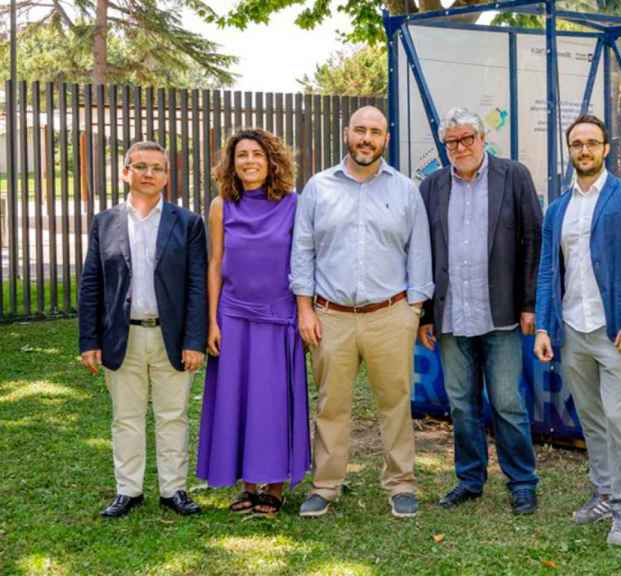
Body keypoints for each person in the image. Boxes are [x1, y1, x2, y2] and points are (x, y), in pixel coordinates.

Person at [290, 106, 434, 519]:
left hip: (390, 314)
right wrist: (305, 308)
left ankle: (401, 483)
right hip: (330, 316)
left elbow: (419, 252)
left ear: (386, 138)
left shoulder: (405, 190)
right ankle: (326, 485)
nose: (366, 139)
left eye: (375, 132)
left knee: (395, 402)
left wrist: (414, 310)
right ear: (346, 133)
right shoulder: (318, 188)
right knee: (331, 406)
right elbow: (303, 252)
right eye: (360, 131)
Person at [533, 115, 621, 546]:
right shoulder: (557, 209)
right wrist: (544, 328)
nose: (584, 150)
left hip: (616, 334)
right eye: (576, 144)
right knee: (590, 418)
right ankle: (603, 493)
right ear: (568, 150)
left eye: (592, 143)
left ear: (607, 148)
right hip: (574, 330)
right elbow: (549, 272)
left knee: (617, 419)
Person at [417, 108, 543, 514]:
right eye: (452, 141)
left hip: (502, 314)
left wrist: (529, 304)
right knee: (460, 403)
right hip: (452, 315)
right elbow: (421, 253)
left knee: (506, 400)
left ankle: (522, 480)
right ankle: (470, 479)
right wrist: (425, 316)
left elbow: (532, 242)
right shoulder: (432, 187)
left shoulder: (514, 176)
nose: (460, 147)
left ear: (483, 138)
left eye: (467, 138)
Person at [78, 141, 208, 518]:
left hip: (172, 336)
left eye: (157, 168)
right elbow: (91, 283)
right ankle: (128, 490)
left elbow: (197, 285)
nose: (149, 174)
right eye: (141, 166)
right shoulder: (105, 223)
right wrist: (89, 340)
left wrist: (194, 340)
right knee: (126, 417)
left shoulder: (188, 223)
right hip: (123, 336)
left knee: (173, 415)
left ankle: (173, 490)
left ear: (167, 176)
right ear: (125, 172)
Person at [195, 128, 310, 516]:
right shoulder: (221, 205)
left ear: (272, 160)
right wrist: (212, 321)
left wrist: (302, 311)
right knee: (239, 399)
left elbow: (302, 262)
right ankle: (247, 484)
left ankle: (274, 487)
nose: (249, 161)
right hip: (233, 315)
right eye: (241, 155)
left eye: (256, 154)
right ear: (232, 163)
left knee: (275, 402)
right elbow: (214, 264)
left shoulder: (294, 204)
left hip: (279, 316)